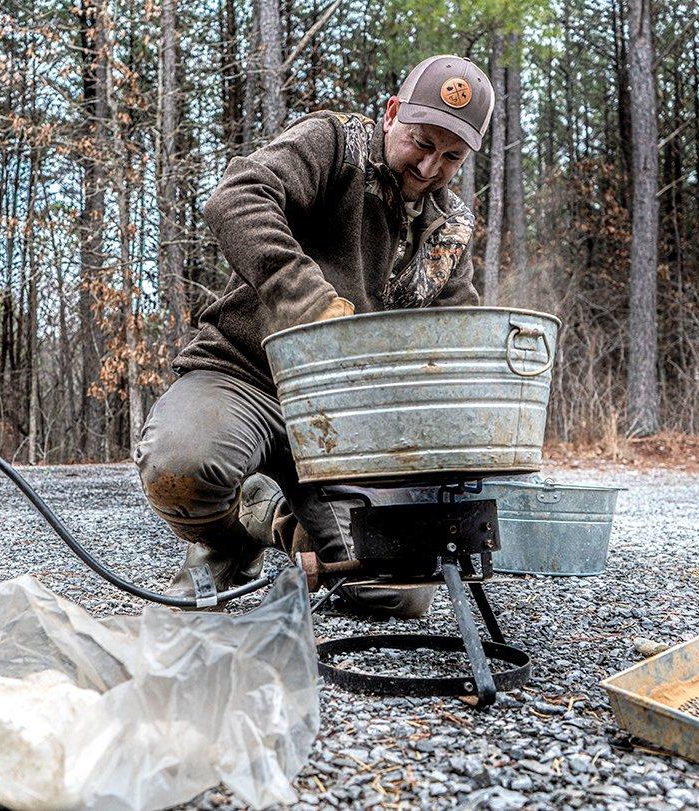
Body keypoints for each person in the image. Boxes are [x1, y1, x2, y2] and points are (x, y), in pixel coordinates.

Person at [134, 55, 494, 617]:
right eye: (420, 142)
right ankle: (228, 539)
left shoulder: (451, 229)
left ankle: (278, 518)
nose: (428, 166)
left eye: (451, 157)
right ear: (392, 113)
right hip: (247, 375)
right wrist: (309, 302)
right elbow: (236, 196)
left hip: (346, 424)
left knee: (398, 591)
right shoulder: (334, 144)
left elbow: (451, 339)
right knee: (181, 465)